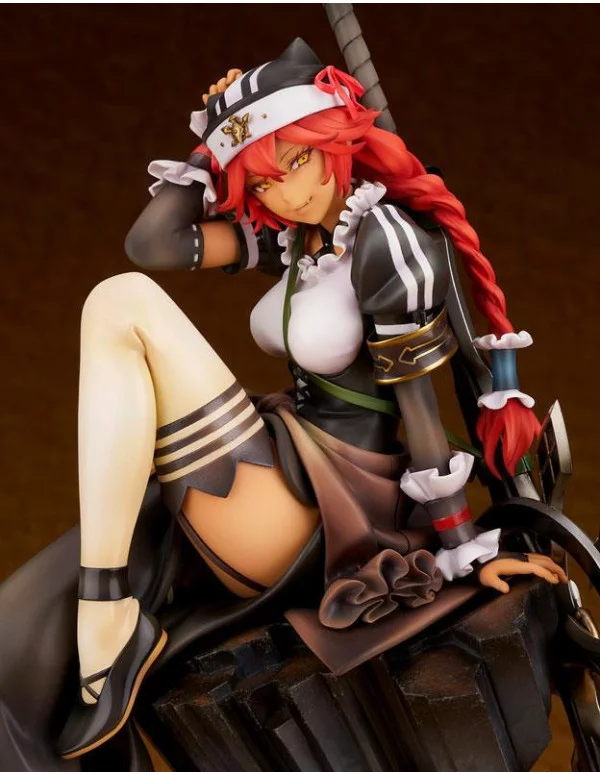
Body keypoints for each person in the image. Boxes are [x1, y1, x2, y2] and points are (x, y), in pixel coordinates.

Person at [10, 38, 569, 764]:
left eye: (297, 160)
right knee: (121, 297)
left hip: (326, 511)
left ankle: (105, 609)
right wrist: (217, 143)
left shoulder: (385, 241)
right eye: (264, 182)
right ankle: (103, 607)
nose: (287, 192)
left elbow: (420, 411)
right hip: (281, 464)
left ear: (333, 137)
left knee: (122, 304)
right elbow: (154, 243)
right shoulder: (297, 241)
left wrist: (463, 550)